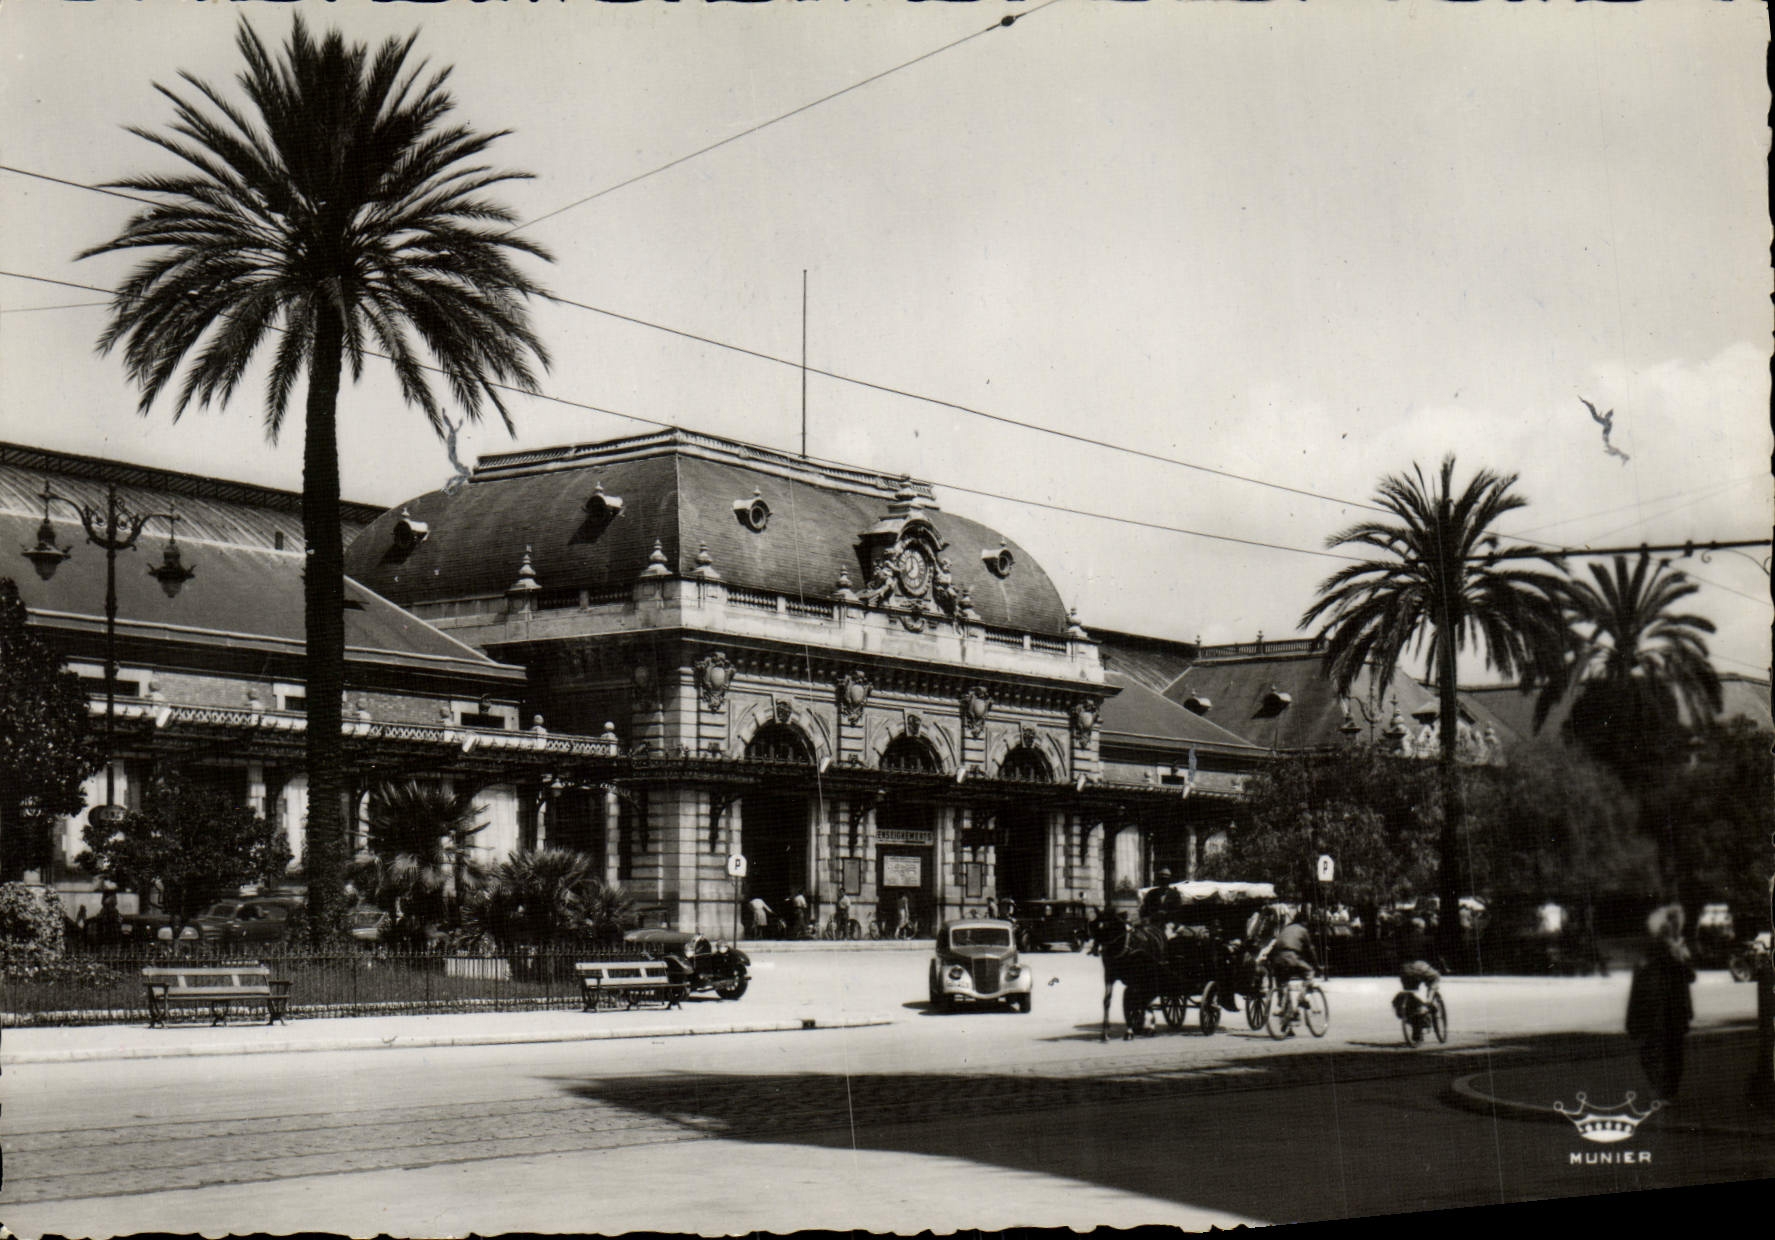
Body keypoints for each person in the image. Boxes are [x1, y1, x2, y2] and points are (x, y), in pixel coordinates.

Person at [1626, 904, 1696, 1101]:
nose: (1673, 930)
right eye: (1669, 926)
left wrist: (1680, 955)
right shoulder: (1656, 951)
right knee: (1660, 1051)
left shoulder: (1677, 949)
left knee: (1669, 1051)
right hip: (1656, 1009)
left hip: (1668, 1010)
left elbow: (1689, 975)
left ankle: (1665, 1090)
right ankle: (1663, 1089)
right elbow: (1640, 982)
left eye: (1675, 925)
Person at [1266, 911, 1317, 1027]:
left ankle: (1285, 1015)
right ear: (1304, 921)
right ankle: (1302, 998)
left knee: (1283, 986)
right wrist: (1316, 964)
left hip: (1277, 960)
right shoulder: (1302, 930)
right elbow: (1310, 949)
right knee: (1309, 971)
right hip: (1291, 958)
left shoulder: (1285, 929)